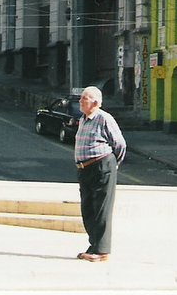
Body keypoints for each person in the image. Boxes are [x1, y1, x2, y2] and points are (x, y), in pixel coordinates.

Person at [74, 85, 126, 263]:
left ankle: (102, 251)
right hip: (84, 168)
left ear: (95, 102)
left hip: (101, 166)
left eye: (84, 98)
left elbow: (120, 144)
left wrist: (112, 164)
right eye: (81, 98)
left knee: (101, 209)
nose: (81, 101)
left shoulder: (104, 118)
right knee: (88, 208)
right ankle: (94, 245)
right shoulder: (83, 119)